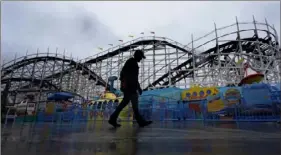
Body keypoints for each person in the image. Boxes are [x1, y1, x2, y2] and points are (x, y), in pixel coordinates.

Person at [108, 50, 152, 128]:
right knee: (135, 105)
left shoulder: (130, 62)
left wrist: (126, 85)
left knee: (124, 104)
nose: (141, 59)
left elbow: (125, 75)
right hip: (130, 88)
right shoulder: (132, 63)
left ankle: (112, 119)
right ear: (137, 55)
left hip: (128, 87)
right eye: (141, 57)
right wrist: (138, 88)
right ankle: (141, 122)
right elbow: (133, 77)